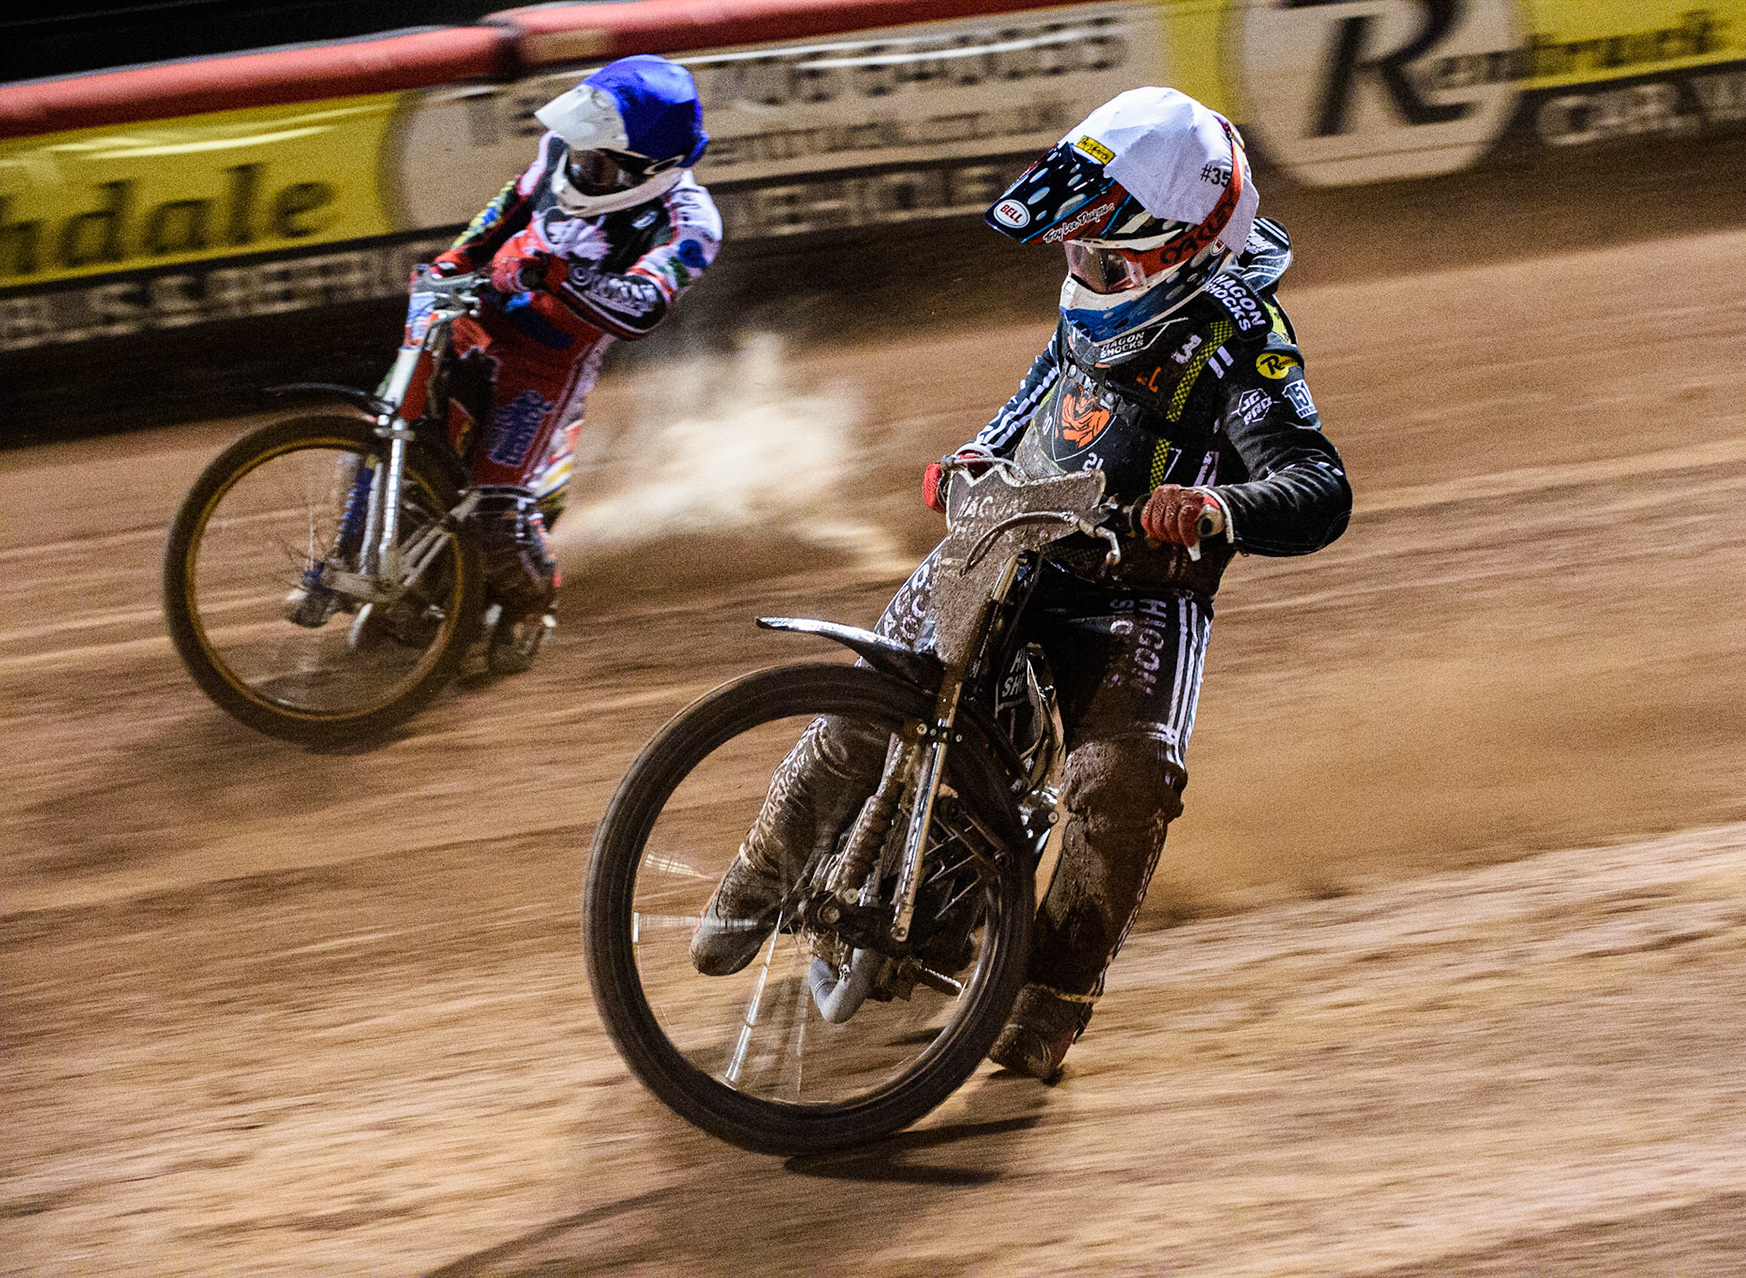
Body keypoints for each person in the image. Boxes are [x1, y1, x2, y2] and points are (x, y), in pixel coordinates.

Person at [691, 87, 1352, 1081]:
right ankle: (761, 872)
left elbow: (1318, 484)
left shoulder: (1242, 337)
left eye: (1097, 252)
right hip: (1015, 526)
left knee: (1123, 781)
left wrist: (1213, 511)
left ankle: (1054, 997)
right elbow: (1046, 384)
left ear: (1173, 244)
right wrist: (977, 452)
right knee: (865, 703)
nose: (1075, 266)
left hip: (1136, 587)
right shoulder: (1098, 289)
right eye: (1072, 248)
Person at [395, 55, 720, 658]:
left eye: (596, 163)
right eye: (578, 149)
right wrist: (450, 265)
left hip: (544, 370)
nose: (577, 165)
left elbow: (644, 306)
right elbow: (504, 215)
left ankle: (531, 604)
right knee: (393, 439)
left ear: (647, 171)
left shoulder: (689, 222)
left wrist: (555, 274)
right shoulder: (557, 152)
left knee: (494, 516)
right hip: (475, 318)